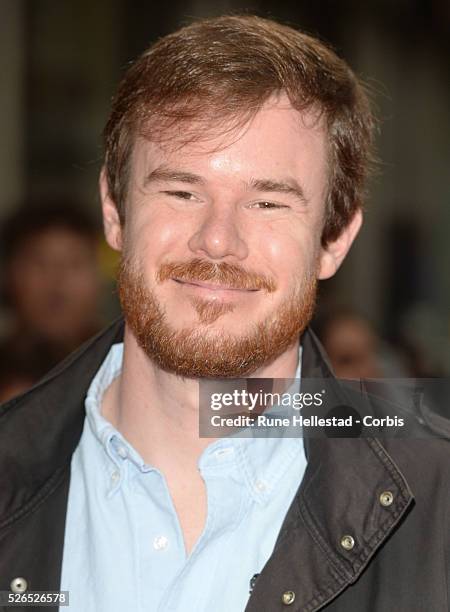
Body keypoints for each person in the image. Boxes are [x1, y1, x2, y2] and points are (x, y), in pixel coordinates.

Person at [1, 15, 449, 612]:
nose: (217, 241)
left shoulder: (437, 503)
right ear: (114, 211)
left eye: (268, 201)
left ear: (334, 239)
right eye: (182, 191)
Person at [0, 203, 102, 395]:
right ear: (9, 275)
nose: (58, 284)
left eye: (75, 263)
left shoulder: (127, 373)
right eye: (40, 263)